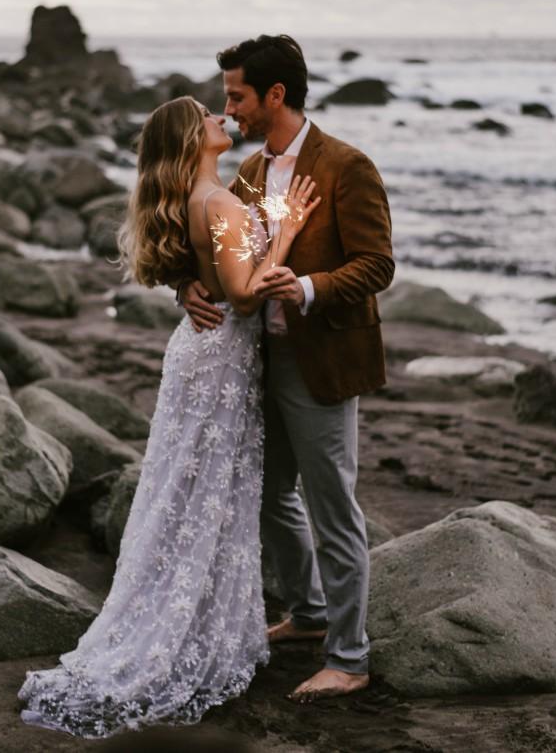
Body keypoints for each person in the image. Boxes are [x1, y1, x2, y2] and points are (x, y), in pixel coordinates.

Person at [17, 95, 320, 738]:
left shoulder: (202, 198)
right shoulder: (217, 202)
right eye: (209, 116)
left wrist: (196, 279)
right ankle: (183, 630)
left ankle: (193, 617)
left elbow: (214, 268)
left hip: (203, 358)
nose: (221, 119)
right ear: (193, 140)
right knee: (203, 491)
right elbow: (241, 294)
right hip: (217, 363)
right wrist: (287, 231)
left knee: (191, 490)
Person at [181, 35, 395, 703]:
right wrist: (186, 287)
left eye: (236, 95)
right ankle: (306, 615)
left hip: (322, 359)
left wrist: (304, 287)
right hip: (255, 363)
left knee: (332, 507)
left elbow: (376, 264)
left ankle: (349, 655)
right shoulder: (247, 171)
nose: (229, 106)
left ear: (275, 95)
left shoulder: (345, 166)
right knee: (272, 496)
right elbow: (226, 253)